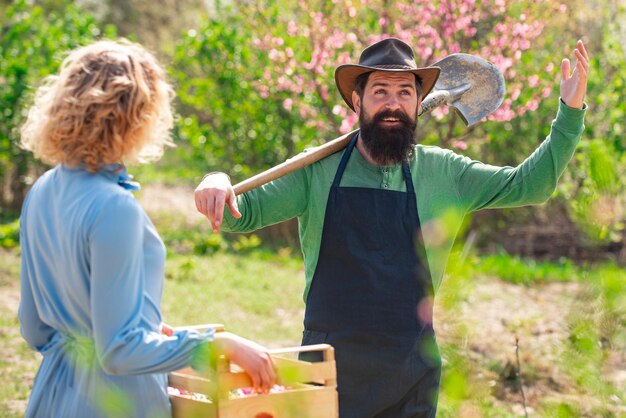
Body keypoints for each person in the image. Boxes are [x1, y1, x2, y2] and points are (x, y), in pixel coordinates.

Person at [194, 37, 589, 417]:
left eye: (404, 93)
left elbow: (531, 186)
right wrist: (216, 180)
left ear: (419, 103)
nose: (393, 104)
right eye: (380, 91)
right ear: (356, 101)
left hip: (411, 376)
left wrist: (569, 114)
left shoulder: (444, 172)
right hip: (328, 371)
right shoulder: (315, 171)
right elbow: (237, 213)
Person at [18, 39, 276, 418]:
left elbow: (34, 328)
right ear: (137, 115)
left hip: (54, 394)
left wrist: (139, 323)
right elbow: (120, 351)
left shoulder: (41, 189)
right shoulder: (114, 207)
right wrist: (220, 344)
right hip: (114, 402)